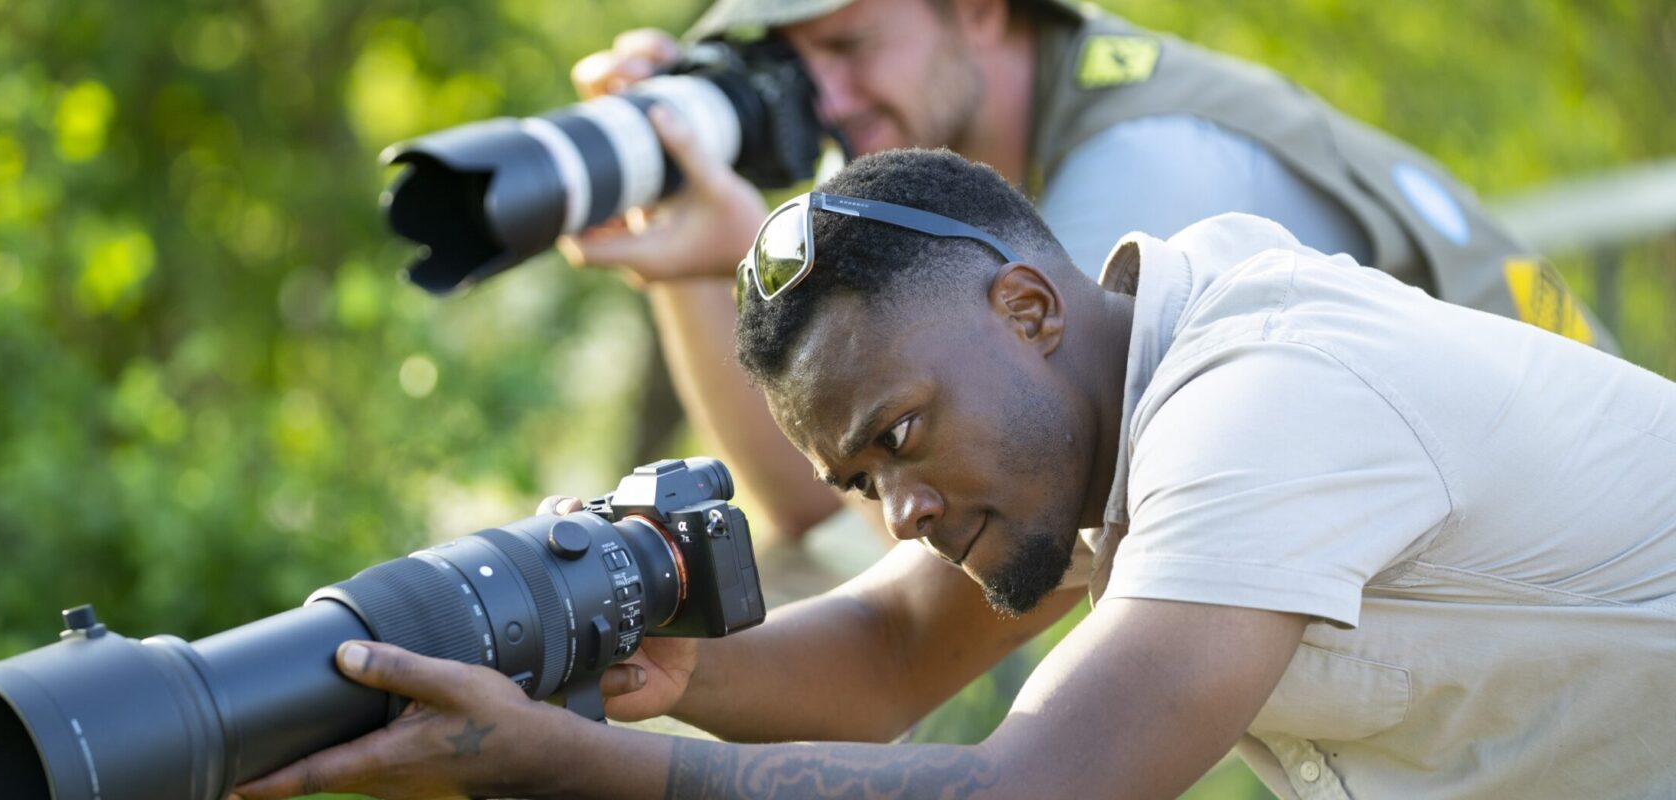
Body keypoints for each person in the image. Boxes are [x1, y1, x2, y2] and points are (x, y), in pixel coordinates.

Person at [232, 150, 1676, 799]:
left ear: (1029, 309)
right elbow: (887, 651)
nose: (901, 512)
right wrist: (659, 673)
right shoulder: (1103, 412)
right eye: (860, 481)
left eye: (902, 436)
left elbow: (1031, 791)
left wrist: (576, 771)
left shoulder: (1265, 400)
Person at [558, 0, 1615, 545]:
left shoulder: (1143, 180)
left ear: (975, 9)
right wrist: (698, 267)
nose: (822, 99)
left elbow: (927, 620)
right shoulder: (1008, 213)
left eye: (847, 45)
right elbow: (817, 500)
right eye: (791, 64)